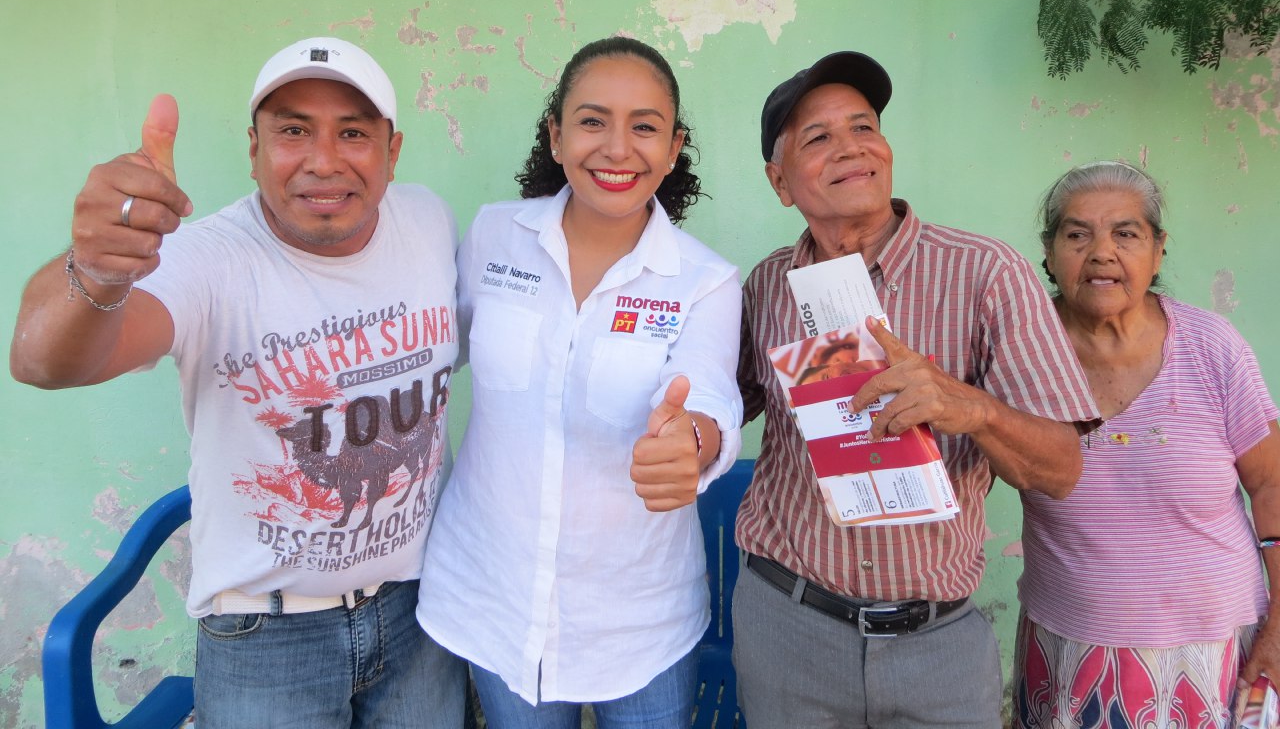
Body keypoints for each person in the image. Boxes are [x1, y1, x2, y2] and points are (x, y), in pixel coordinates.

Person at [9, 37, 465, 729]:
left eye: (352, 133)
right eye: (293, 131)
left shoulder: (427, 221)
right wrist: (95, 271)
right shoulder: (205, 261)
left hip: (419, 611)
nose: (323, 161)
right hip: (267, 637)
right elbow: (44, 362)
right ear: (253, 149)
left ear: (392, 152)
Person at [733, 50, 1100, 729]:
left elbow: (1061, 471)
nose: (851, 147)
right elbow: (716, 412)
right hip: (788, 629)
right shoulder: (766, 287)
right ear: (779, 181)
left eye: (864, 127)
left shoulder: (987, 274)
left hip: (938, 647)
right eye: (818, 137)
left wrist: (975, 409)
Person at [417, 36, 743, 729]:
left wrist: (690, 443)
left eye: (644, 127)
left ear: (674, 148)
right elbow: (429, 348)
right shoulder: (494, 236)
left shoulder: (705, 280)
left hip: (640, 622)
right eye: (593, 121)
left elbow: (708, 395)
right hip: (495, 597)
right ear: (556, 136)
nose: (617, 148)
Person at [1014, 160, 1280, 729]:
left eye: (1126, 234)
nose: (1101, 253)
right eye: (1077, 234)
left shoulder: (1212, 348)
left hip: (1215, 654)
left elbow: (1272, 483)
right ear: (1049, 252)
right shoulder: (1021, 353)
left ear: (1158, 251)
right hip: (1069, 655)